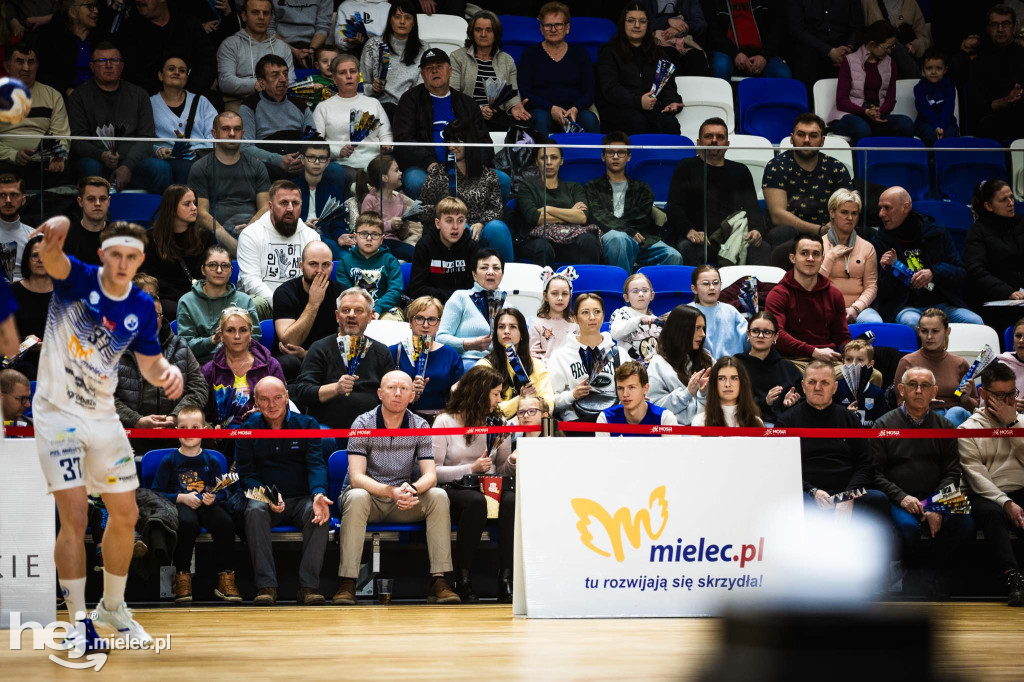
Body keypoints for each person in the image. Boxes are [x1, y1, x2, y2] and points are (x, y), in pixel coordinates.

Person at [31, 216, 184, 653]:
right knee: (76, 516)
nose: (122, 262)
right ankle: (79, 622)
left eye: (131, 257)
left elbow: (151, 364)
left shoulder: (138, 307)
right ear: (102, 255)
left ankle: (113, 608)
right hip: (57, 415)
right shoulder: (79, 278)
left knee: (127, 515)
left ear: (139, 261)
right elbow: (52, 259)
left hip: (102, 417)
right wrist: (52, 236)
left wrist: (167, 373)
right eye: (115, 254)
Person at [334, 370, 461, 605]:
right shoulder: (362, 423)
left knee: (438, 495)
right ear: (380, 393)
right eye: (391, 388)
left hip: (404, 499)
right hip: (370, 499)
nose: (397, 393)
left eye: (404, 389)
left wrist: (411, 490)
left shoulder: (420, 425)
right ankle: (348, 582)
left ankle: (439, 580)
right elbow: (356, 477)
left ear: (412, 396)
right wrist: (389, 491)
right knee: (357, 496)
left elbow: (430, 476)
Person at [871, 366, 975, 592]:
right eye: (912, 385)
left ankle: (930, 572)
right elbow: (875, 474)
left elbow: (952, 472)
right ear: (901, 389)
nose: (918, 391)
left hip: (938, 494)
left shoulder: (946, 426)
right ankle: (918, 576)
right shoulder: (883, 425)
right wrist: (902, 497)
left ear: (934, 391)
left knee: (966, 523)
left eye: (925, 386)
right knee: (909, 529)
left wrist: (935, 504)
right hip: (900, 497)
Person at [237, 376, 330, 605]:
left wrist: (318, 493)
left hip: (300, 500)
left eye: (278, 398)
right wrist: (267, 496)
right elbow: (245, 475)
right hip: (264, 499)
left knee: (319, 512)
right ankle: (266, 587)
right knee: (254, 511)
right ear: (256, 402)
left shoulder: (307, 424)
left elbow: (316, 464)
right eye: (265, 400)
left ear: (287, 397)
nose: (272, 405)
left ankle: (308, 587)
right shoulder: (246, 430)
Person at [431, 365, 514, 601]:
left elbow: (502, 467)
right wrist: (471, 468)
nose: (499, 400)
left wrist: (513, 461)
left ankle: (505, 578)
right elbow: (433, 471)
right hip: (455, 490)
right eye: (495, 394)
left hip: (492, 487)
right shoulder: (444, 421)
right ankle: (462, 577)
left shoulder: (496, 421)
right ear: (479, 392)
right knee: (475, 502)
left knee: (511, 501)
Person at [775, 360, 889, 519]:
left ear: (835, 387)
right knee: (798, 502)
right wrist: (812, 491)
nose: (818, 387)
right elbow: (782, 469)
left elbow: (866, 464)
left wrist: (848, 496)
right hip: (807, 494)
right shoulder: (786, 421)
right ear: (803, 385)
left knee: (879, 499)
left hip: (848, 493)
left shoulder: (850, 419)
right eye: (812, 382)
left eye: (825, 382)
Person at [151, 406, 242, 603]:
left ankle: (226, 578)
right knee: (187, 524)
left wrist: (214, 498)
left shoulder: (213, 460)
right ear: (176, 431)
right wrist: (181, 498)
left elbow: (224, 490)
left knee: (225, 523)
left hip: (207, 505)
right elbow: (156, 493)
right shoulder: (169, 460)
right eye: (183, 427)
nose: (189, 432)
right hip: (182, 506)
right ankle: (182, 577)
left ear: (203, 429)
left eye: (195, 427)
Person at [957, 361, 1024, 606]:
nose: (1007, 401)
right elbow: (977, 477)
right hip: (987, 494)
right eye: (999, 395)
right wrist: (1006, 502)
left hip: (1021, 488)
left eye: (1011, 394)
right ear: (983, 394)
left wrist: (1012, 424)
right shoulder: (967, 428)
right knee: (991, 512)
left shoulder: (1022, 423)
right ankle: (1012, 578)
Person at [871, 186, 983, 328]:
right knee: (911, 322)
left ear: (905, 208)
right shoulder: (880, 241)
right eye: (880, 208)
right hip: (906, 307)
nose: (881, 214)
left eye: (887, 208)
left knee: (976, 322)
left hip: (942, 305)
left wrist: (933, 273)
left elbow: (960, 273)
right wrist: (885, 271)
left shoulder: (936, 233)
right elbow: (883, 294)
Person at [666, 117, 771, 266]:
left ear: (727, 144)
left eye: (720, 137)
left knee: (762, 248)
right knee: (687, 247)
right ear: (699, 142)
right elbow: (674, 207)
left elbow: (752, 209)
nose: (714, 141)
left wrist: (756, 231)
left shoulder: (740, 171)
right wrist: (690, 231)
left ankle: (757, 289)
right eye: (708, 136)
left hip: (734, 237)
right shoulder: (686, 167)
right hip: (699, 240)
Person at [67, 42, 170, 194]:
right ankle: (97, 217)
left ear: (122, 65)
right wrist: (101, 155)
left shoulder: (139, 95)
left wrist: (127, 166)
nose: (108, 65)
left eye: (114, 60)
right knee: (91, 167)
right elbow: (77, 139)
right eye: (101, 61)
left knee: (161, 168)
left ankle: (160, 217)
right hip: (95, 159)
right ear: (92, 66)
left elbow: (146, 138)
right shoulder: (79, 96)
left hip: (132, 161)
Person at [392, 47, 493, 199]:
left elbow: (484, 143)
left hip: (465, 165)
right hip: (424, 167)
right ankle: (427, 221)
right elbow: (403, 141)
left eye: (439, 66)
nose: (434, 71)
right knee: (415, 181)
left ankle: (481, 221)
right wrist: (430, 163)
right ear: (422, 74)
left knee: (502, 179)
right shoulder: (410, 100)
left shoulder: (467, 103)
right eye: (428, 68)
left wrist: (469, 166)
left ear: (450, 70)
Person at [114, 273, 207, 439]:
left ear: (161, 317)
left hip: (176, 428)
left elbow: (199, 388)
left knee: (208, 440)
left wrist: (176, 416)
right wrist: (136, 420)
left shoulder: (180, 346)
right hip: (128, 431)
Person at [292, 287, 394, 429]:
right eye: (345, 310)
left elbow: (390, 392)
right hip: (328, 427)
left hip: (370, 429)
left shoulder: (381, 351)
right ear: (337, 316)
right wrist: (336, 388)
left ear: (370, 316)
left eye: (358, 310)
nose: (351, 315)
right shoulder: (319, 348)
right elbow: (303, 393)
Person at [418, 119, 514, 264]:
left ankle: (505, 277)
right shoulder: (438, 173)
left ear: (470, 144)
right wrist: (446, 213)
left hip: (481, 227)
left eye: (457, 142)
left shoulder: (488, 175)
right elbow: (421, 208)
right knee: (462, 230)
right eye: (449, 142)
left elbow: (496, 209)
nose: (451, 147)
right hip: (450, 228)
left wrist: (482, 223)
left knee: (497, 228)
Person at [586, 131, 681, 273]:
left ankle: (656, 294)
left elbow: (641, 219)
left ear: (629, 157)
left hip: (641, 240)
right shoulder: (591, 187)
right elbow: (598, 216)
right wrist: (626, 231)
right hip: (608, 239)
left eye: (621, 153)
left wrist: (630, 232)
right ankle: (624, 289)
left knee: (674, 256)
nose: (616, 157)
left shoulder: (642, 188)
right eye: (611, 153)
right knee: (618, 238)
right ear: (603, 157)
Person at [188, 111, 272, 257]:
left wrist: (247, 234)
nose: (232, 133)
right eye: (226, 129)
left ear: (243, 133)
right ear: (214, 133)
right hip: (215, 236)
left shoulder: (257, 166)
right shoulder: (200, 167)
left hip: (253, 233)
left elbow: (265, 207)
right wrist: (230, 242)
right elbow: (200, 213)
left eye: (237, 129)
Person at [762, 114, 853, 247]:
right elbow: (778, 216)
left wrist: (833, 227)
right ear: (792, 138)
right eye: (801, 134)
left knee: (863, 232)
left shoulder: (836, 168)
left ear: (822, 141)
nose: (806, 140)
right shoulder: (777, 166)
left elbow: (848, 207)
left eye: (813, 136)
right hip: (791, 235)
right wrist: (819, 230)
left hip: (829, 232)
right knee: (783, 233)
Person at [236, 179, 321, 319]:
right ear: (270, 206)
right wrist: (281, 303)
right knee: (253, 303)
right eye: (283, 203)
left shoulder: (311, 237)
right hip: (265, 303)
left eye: (295, 203)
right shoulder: (251, 234)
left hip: (300, 303)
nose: (289, 208)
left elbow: (316, 279)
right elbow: (250, 281)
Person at [595, 3, 684, 135]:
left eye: (642, 21)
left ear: (648, 24)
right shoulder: (609, 52)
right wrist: (638, 101)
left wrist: (672, 103)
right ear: (623, 24)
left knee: (669, 125)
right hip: (618, 108)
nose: (637, 25)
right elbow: (610, 89)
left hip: (651, 107)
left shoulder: (658, 52)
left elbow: (668, 85)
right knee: (637, 122)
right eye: (631, 21)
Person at [764, 235, 850, 369]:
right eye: (804, 253)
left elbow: (842, 336)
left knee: (872, 375)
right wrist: (813, 351)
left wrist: (849, 352)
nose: (810, 258)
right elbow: (776, 335)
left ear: (822, 258)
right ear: (793, 258)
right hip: (793, 361)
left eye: (815, 254)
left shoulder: (834, 295)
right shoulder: (779, 294)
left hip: (829, 361)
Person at [313, 52, 394, 191]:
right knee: (338, 173)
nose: (349, 76)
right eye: (343, 73)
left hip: (374, 165)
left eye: (353, 71)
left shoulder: (373, 103)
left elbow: (385, 135)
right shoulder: (323, 107)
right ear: (334, 78)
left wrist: (387, 146)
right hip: (341, 165)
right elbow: (315, 145)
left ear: (359, 75)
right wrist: (339, 151)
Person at [516, 1, 600, 135]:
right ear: (541, 28)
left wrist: (575, 109)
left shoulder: (581, 54)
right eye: (548, 25)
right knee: (540, 118)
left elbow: (589, 92)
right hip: (542, 111)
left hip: (575, 112)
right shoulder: (529, 55)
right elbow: (525, 94)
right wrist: (551, 109)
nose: (553, 29)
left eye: (558, 25)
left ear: (567, 27)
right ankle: (541, 156)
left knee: (589, 119)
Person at [547, 294, 631, 425]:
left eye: (597, 312)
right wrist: (573, 395)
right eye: (585, 312)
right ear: (575, 318)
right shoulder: (560, 357)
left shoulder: (620, 354)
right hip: (577, 428)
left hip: (615, 424)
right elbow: (550, 403)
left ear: (603, 316)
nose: (592, 317)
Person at [515, 145, 602, 268]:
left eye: (554, 157)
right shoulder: (527, 187)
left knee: (589, 240)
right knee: (543, 248)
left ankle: (589, 286)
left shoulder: (574, 187)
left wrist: (548, 209)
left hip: (571, 238)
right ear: (536, 161)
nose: (549, 162)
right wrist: (570, 213)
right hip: (538, 240)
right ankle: (544, 287)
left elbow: (582, 218)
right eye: (543, 158)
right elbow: (534, 217)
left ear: (561, 161)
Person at [829, 21, 915, 144]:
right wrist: (865, 112)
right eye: (887, 47)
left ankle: (896, 161)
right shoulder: (849, 61)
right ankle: (861, 163)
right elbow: (841, 101)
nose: (890, 51)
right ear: (872, 44)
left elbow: (890, 99)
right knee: (863, 129)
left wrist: (880, 112)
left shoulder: (891, 64)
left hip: (876, 115)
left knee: (906, 124)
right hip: (849, 115)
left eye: (892, 47)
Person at [201, 305, 285, 428]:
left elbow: (284, 406)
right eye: (230, 330)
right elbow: (199, 411)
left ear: (250, 334)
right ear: (222, 335)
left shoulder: (271, 365)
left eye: (243, 330)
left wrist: (265, 413)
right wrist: (211, 427)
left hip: (264, 431)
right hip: (225, 438)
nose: (237, 336)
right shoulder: (209, 371)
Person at [0, 42, 71, 187]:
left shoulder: (53, 95)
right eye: (19, 62)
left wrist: (57, 156)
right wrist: (13, 155)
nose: (26, 68)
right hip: (5, 161)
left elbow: (61, 134)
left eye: (31, 62)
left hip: (45, 160)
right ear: (7, 66)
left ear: (37, 66)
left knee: (64, 171)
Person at [176, 244, 261, 366]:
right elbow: (186, 345)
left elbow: (255, 337)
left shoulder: (244, 300)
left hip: (239, 362)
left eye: (225, 266)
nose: (219, 270)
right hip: (200, 365)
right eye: (212, 265)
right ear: (203, 270)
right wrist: (212, 340)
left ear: (231, 270)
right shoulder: (187, 301)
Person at [142, 185, 218, 320]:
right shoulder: (151, 239)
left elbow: (215, 268)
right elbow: (150, 278)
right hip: (169, 298)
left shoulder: (205, 236)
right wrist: (185, 298)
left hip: (203, 295)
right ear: (171, 208)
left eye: (195, 203)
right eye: (187, 204)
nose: (194, 208)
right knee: (171, 309)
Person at [893, 308, 978, 427]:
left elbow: (976, 407)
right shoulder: (907, 362)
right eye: (924, 331)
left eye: (935, 331)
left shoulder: (960, 363)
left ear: (947, 331)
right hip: (922, 417)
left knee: (956, 412)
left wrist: (965, 399)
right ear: (918, 331)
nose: (929, 336)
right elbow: (900, 403)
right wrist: (922, 403)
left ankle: (940, 439)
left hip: (957, 420)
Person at [450, 10, 531, 132]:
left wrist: (514, 107)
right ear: (472, 33)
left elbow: (511, 93)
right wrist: (478, 109)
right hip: (467, 113)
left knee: (525, 126)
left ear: (496, 34)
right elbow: (453, 93)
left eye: (489, 30)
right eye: (478, 30)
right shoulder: (458, 57)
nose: (483, 34)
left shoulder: (507, 60)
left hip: (496, 114)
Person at [240, 54, 316, 183]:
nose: (283, 79)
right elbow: (245, 147)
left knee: (333, 171)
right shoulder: (249, 105)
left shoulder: (300, 104)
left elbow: (313, 139)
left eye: (285, 74)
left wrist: (304, 157)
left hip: (301, 160)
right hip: (269, 162)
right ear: (262, 82)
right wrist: (278, 160)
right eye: (275, 75)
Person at [273, 240, 342, 379]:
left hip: (326, 357)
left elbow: (346, 341)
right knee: (288, 362)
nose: (320, 271)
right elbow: (289, 343)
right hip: (291, 359)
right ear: (301, 266)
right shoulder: (285, 293)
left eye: (326, 265)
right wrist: (313, 303)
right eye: (313, 264)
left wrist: (306, 353)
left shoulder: (342, 293)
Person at [116, 0, 216, 95]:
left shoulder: (188, 23)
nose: (139, 1)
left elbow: (207, 62)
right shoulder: (128, 29)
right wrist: (162, 97)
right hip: (149, 100)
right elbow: (131, 72)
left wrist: (188, 92)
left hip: (191, 94)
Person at [389, 295, 465, 418]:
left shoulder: (451, 355)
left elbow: (459, 396)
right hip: (403, 419)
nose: (425, 325)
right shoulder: (393, 352)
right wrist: (407, 391)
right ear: (410, 321)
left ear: (439, 323)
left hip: (441, 421)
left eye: (431, 319)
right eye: (419, 318)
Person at [149, 54, 218, 185]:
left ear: (186, 78)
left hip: (201, 159)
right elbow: (145, 137)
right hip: (166, 160)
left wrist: (194, 151)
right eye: (171, 69)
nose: (176, 73)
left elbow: (214, 134)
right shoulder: (149, 104)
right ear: (160, 75)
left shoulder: (201, 101)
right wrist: (158, 150)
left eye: (182, 71)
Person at [476, 307, 555, 419]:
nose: (506, 331)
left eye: (513, 327)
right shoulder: (484, 366)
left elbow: (548, 404)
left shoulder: (537, 365)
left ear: (522, 333)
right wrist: (521, 399)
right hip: (495, 427)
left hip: (532, 425)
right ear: (496, 333)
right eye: (501, 327)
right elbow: (484, 408)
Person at [819, 188, 881, 324]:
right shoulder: (818, 245)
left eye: (854, 213)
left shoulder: (867, 247)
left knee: (875, 322)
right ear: (832, 213)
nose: (850, 218)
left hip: (859, 309)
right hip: (826, 307)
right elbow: (813, 285)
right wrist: (830, 257)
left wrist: (855, 308)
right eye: (844, 212)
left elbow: (871, 287)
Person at [359, 0, 428, 121]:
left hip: (410, 108)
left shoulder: (423, 48)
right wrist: (372, 88)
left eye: (407, 17)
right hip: (378, 106)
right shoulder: (373, 45)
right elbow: (360, 85)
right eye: (397, 17)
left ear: (413, 23)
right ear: (390, 20)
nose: (402, 22)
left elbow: (422, 87)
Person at [436, 248, 504, 370]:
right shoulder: (461, 297)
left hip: (499, 365)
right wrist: (468, 344)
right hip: (466, 363)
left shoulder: (508, 306)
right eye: (484, 267)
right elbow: (440, 338)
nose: (490, 272)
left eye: (496, 268)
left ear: (502, 274)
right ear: (474, 275)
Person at [216, 0, 295, 103]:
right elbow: (225, 82)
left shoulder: (282, 47)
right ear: (244, 16)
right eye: (255, 12)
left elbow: (291, 80)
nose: (261, 17)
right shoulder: (230, 45)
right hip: (240, 102)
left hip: (276, 102)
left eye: (266, 13)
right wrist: (257, 84)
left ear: (271, 17)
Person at [964, 180, 1024, 314]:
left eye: (1011, 197)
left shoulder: (1021, 223)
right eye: (1003, 200)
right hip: (995, 297)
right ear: (988, 206)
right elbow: (976, 270)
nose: (1011, 203)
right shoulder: (978, 231)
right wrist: (1007, 291)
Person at [647, 304, 712, 424]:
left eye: (703, 328)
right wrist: (687, 394)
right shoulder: (658, 364)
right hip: (673, 434)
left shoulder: (709, 360)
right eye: (697, 328)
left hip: (707, 431)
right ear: (681, 330)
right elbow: (654, 407)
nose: (703, 334)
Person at [735, 311, 803, 425]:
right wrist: (765, 402)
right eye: (755, 331)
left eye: (766, 332)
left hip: (782, 430)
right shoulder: (736, 364)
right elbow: (730, 401)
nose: (760, 336)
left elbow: (803, 403)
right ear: (748, 334)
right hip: (744, 426)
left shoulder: (788, 368)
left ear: (775, 336)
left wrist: (789, 404)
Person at [969, 5, 1024, 141]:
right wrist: (1005, 101)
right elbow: (976, 105)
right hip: (993, 120)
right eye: (995, 25)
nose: (1000, 29)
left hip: (1021, 114)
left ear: (1014, 26)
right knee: (987, 124)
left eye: (1005, 24)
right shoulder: (979, 61)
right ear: (988, 29)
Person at [407, 196, 478, 303]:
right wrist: (455, 296)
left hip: (463, 306)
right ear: (437, 223)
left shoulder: (471, 247)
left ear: (465, 224)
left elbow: (477, 286)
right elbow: (417, 289)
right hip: (432, 305)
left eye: (460, 221)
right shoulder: (424, 246)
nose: (455, 226)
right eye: (449, 221)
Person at [336, 212, 404, 319]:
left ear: (382, 239)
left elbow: (395, 290)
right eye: (363, 233)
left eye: (375, 234)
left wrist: (378, 308)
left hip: (385, 309)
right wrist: (362, 310)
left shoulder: (390, 261)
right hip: (354, 309)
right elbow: (345, 292)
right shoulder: (344, 262)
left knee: (388, 324)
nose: (369, 238)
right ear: (355, 237)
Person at [33, 0, 106, 98]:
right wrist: (65, 90)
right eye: (89, 6)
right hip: (64, 101)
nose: (96, 11)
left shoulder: (100, 40)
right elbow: (45, 76)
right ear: (72, 13)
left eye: (96, 6)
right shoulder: (53, 41)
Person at [786, 0, 864, 90]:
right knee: (806, 59)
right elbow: (796, 29)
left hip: (842, 46)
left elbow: (857, 26)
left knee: (859, 62)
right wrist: (829, 51)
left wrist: (849, 47)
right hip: (812, 46)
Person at [704, 0, 791, 80]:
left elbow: (777, 28)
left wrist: (764, 55)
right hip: (729, 54)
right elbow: (713, 32)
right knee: (721, 66)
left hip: (763, 54)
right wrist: (734, 54)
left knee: (782, 73)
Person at [356, 154, 417, 261]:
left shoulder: (400, 199)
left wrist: (403, 225)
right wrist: (390, 224)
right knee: (386, 254)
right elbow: (365, 228)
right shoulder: (371, 199)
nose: (401, 173)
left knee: (415, 253)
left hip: (395, 242)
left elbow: (403, 235)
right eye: (396, 171)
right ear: (384, 178)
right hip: (376, 242)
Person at [295, 142, 350, 258]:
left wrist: (340, 235)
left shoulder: (333, 190)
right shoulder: (291, 188)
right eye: (311, 157)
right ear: (302, 159)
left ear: (328, 162)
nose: (317, 162)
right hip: (296, 236)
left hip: (325, 238)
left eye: (322, 158)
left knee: (346, 258)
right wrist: (300, 225)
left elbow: (338, 221)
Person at [597, 360, 679, 434]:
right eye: (620, 388)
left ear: (645, 388)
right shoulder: (605, 419)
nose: (625, 394)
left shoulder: (665, 419)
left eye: (631, 387)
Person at [9, 236, 52, 378]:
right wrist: (25, 341)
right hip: (17, 362)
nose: (40, 260)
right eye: (35, 256)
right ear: (27, 260)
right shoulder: (12, 292)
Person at [688, 265, 748, 359]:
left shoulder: (730, 311)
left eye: (716, 283)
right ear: (694, 289)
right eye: (705, 283)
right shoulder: (687, 311)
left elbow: (748, 340)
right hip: (699, 367)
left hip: (731, 367)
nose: (712, 287)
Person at [862, 0, 930, 80]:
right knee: (895, 47)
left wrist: (914, 46)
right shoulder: (867, 2)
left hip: (907, 55)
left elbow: (924, 37)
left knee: (896, 48)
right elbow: (860, 34)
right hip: (878, 62)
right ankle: (917, 82)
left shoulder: (911, 3)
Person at [691, 356, 764, 427]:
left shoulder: (756, 422)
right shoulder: (700, 422)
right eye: (721, 378)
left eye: (734, 378)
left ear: (742, 382)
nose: (727, 384)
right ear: (714, 383)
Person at [834, 339, 888, 425]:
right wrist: (844, 415)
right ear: (843, 362)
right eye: (849, 359)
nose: (854, 364)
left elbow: (881, 425)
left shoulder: (878, 393)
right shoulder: (835, 389)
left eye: (860, 360)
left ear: (871, 364)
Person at [610, 272, 662, 362]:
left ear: (652, 295)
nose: (641, 294)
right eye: (635, 291)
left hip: (651, 369)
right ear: (626, 298)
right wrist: (639, 319)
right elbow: (615, 334)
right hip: (628, 368)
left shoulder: (656, 320)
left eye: (645, 290)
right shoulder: (623, 313)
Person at [914, 48, 960, 146]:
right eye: (929, 68)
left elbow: (948, 109)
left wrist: (942, 126)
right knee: (930, 133)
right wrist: (936, 126)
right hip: (926, 122)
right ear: (923, 68)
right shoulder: (919, 88)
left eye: (938, 68)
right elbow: (925, 110)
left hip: (947, 122)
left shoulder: (950, 86)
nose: (933, 72)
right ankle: (931, 160)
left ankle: (949, 161)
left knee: (951, 133)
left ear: (945, 70)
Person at [269, 0, 333, 69]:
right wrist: (293, 51)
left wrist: (311, 50)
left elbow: (323, 27)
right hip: (282, 42)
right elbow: (269, 28)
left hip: (313, 43)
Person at [529, 270, 578, 359]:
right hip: (545, 371)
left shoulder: (576, 324)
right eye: (554, 293)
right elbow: (534, 357)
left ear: (570, 296)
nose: (560, 298)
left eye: (565, 294)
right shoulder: (536, 324)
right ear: (545, 296)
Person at [64, 176, 109, 267]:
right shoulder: (65, 237)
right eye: (91, 199)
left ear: (109, 201)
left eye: (103, 199)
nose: (97, 203)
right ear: (80, 202)